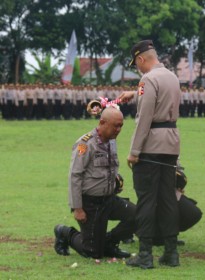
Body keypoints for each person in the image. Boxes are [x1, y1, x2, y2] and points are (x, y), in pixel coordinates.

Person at [119, 40, 181, 269]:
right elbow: (160, 98)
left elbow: (144, 117)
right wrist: (133, 92)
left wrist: (134, 151)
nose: (138, 68)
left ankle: (145, 254)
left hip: (151, 146)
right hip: (171, 143)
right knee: (167, 199)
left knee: (146, 200)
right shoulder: (172, 76)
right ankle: (171, 252)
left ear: (141, 59)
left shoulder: (147, 79)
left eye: (136, 63)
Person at [53, 107, 136, 259]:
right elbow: (75, 176)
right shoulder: (85, 144)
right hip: (91, 203)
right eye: (115, 125)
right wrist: (77, 208)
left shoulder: (111, 141)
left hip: (109, 199)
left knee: (137, 216)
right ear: (102, 122)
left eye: (121, 126)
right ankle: (64, 232)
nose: (118, 130)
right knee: (92, 251)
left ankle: (108, 244)